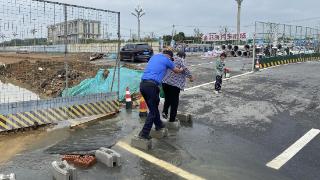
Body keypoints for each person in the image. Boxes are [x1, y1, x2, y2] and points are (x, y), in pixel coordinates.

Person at [139, 49, 184, 140]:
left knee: (154, 107)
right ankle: (144, 133)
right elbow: (176, 70)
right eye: (171, 59)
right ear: (170, 56)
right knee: (152, 111)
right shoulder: (167, 60)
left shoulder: (154, 57)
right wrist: (182, 69)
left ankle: (159, 124)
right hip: (152, 86)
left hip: (143, 85)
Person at [162, 51, 193, 122]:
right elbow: (185, 69)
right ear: (183, 56)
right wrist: (191, 77)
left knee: (167, 99)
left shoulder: (169, 59)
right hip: (174, 84)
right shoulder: (180, 60)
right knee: (174, 102)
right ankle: (172, 119)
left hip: (165, 82)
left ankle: (165, 112)